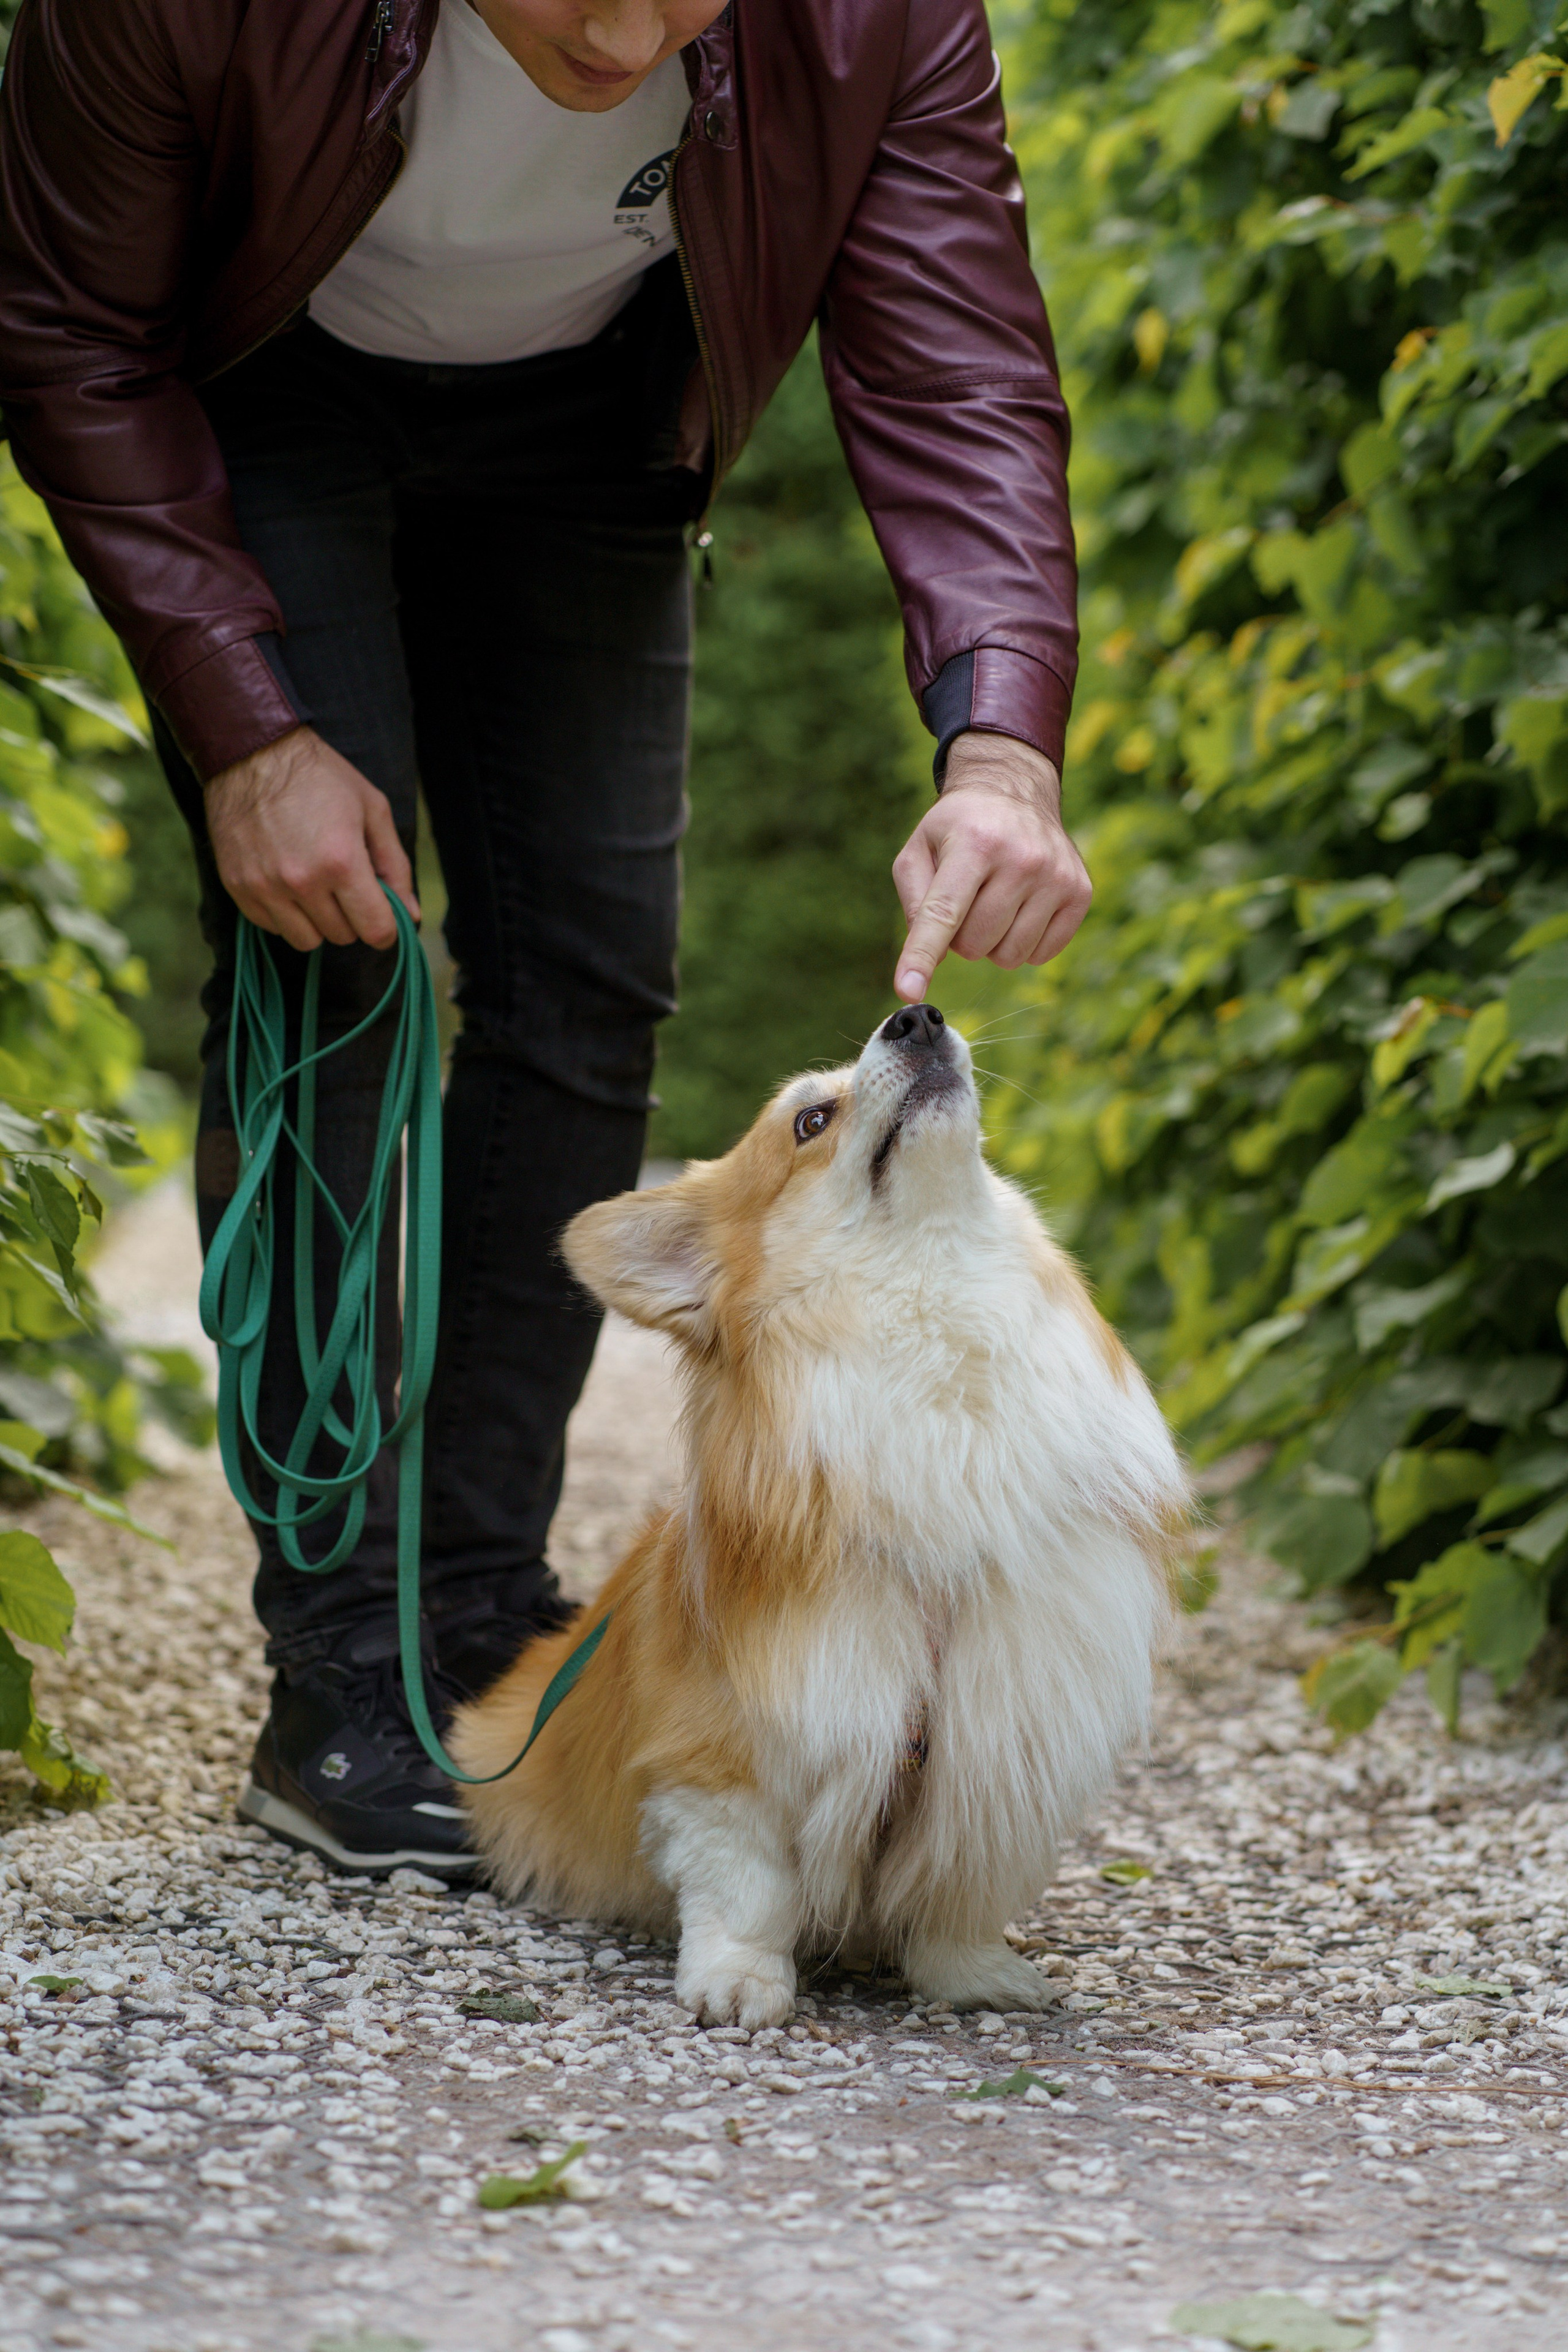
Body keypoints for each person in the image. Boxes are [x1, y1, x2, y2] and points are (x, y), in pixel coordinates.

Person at [0, 0, 1090, 1875]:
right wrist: (247, 733)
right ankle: (342, 1661)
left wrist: (1003, 750)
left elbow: (962, 369)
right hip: (262, 388)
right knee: (336, 975)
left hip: (596, 427)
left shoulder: (877, 18)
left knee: (593, 979)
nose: (622, 34)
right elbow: (64, 323)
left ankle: (485, 1604)